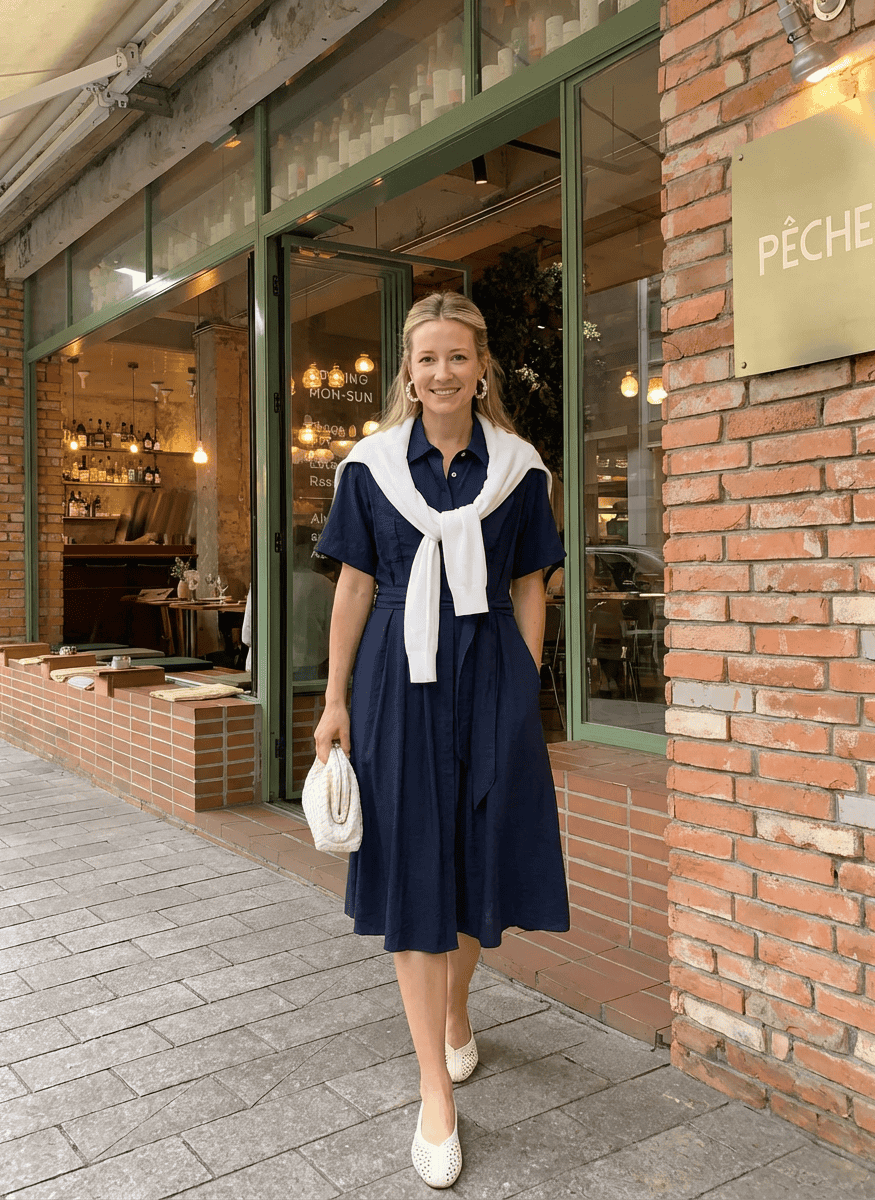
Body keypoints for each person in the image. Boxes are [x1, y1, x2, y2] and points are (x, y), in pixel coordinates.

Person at [313, 292, 569, 1189]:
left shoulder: (520, 471)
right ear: (408, 371)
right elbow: (351, 585)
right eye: (426, 358)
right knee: (417, 863)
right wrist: (334, 698)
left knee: (477, 856)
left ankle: (458, 1007)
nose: (442, 373)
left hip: (490, 665)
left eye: (458, 357)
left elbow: (534, 582)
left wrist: (521, 678)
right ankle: (435, 1089)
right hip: (395, 675)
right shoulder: (371, 467)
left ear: (482, 366)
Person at [242, 526, 335, 678]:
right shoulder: (322, 584)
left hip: (260, 667)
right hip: (305, 668)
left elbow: (247, 635)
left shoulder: (262, 579)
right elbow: (331, 637)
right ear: (306, 552)